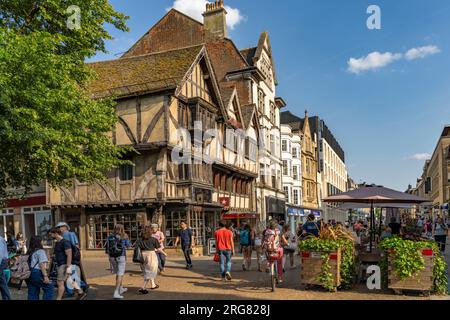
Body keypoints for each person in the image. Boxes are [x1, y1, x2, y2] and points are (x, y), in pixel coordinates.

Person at [48, 227, 86, 300]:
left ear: (55, 233)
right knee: (69, 280)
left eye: (51, 235)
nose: (50, 236)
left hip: (64, 265)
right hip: (61, 264)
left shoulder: (65, 242)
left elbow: (69, 254)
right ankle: (81, 292)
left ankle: (58, 298)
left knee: (60, 282)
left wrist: (68, 267)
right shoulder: (57, 243)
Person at [105, 224, 132, 299]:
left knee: (118, 273)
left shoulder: (110, 236)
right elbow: (129, 246)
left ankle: (121, 288)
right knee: (120, 274)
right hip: (121, 256)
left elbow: (107, 249)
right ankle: (116, 292)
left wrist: (109, 258)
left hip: (112, 257)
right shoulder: (124, 236)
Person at [26, 235, 54, 300]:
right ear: (39, 242)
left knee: (33, 291)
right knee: (49, 287)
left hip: (30, 273)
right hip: (37, 272)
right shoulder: (40, 251)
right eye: (41, 241)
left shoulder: (29, 251)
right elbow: (41, 264)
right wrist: (45, 276)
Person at [137, 225, 161, 294]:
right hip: (151, 255)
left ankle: (153, 284)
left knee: (147, 271)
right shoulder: (153, 239)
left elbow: (137, 248)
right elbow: (159, 249)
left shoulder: (139, 240)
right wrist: (164, 253)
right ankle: (143, 287)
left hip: (142, 256)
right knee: (151, 271)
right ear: (150, 231)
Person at [0, 234, 11, 300]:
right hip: (2, 261)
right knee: (2, 281)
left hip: (1, 261)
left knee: (2, 281)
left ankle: (7, 297)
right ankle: (6, 297)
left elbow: (0, 254)